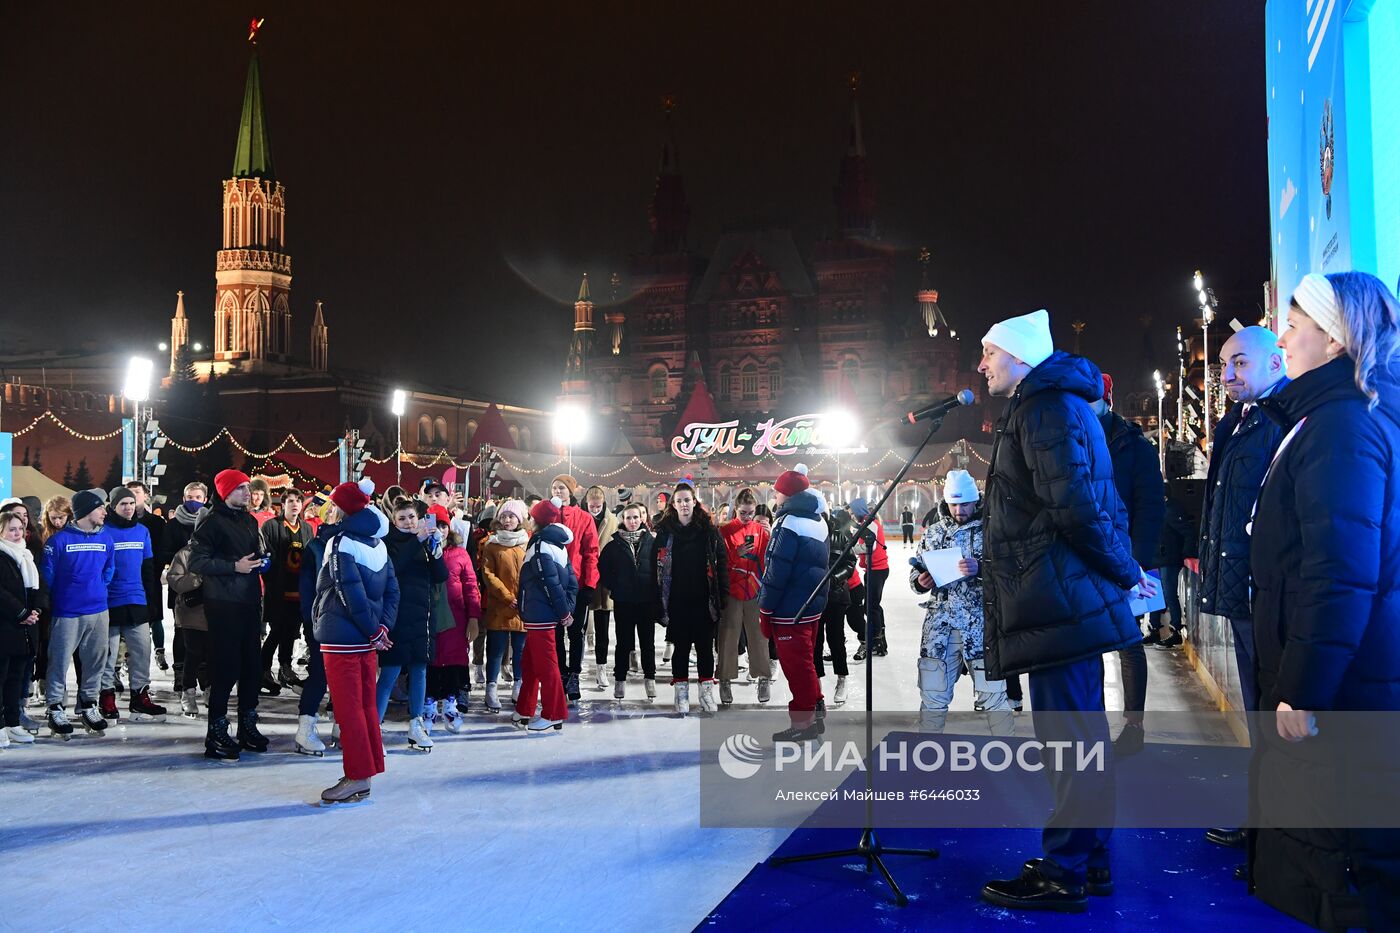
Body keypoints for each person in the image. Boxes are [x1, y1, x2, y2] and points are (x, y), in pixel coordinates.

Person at [976, 309, 1153, 912]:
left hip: (1057, 598)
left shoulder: (1044, 409)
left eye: (990, 353)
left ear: (1020, 357)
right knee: (1078, 736)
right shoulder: (1052, 406)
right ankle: (1091, 858)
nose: (982, 364)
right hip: (1058, 596)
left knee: (1069, 740)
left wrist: (1125, 571)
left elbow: (1075, 506)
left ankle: (1066, 867)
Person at [1247, 271, 1400, 926]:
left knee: (1340, 871)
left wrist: (1303, 689)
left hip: (1341, 694)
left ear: (1335, 338)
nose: (1282, 334)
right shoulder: (1334, 416)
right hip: (1353, 685)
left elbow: (1338, 572)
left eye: (1295, 321)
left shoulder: (1341, 425)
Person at [1188, 325, 1290, 857]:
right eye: (1224, 366)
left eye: (1240, 364)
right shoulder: (1241, 421)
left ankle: (1274, 829)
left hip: (1264, 599)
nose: (1227, 376)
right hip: (1242, 596)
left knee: (1273, 716)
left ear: (1276, 363)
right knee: (1257, 715)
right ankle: (1261, 820)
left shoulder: (1279, 422)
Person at [312, 479, 399, 803]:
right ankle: (367, 767)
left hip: (342, 637)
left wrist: (373, 630)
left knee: (349, 710)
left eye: (334, 504)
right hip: (366, 639)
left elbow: (350, 593)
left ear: (345, 508)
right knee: (364, 706)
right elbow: (392, 591)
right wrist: (382, 628)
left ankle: (356, 776)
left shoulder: (341, 543)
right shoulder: (378, 544)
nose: (330, 510)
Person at [1091, 373, 1165, 757]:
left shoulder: (1134, 445)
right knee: (1086, 647)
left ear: (1106, 398)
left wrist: (1137, 564)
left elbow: (1152, 508)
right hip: (1084, 561)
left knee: (1128, 642)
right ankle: (1093, 726)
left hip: (1128, 560)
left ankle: (1133, 725)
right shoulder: (1070, 437)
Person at [909, 469, 1012, 735]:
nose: (959, 510)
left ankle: (1007, 753)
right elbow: (917, 569)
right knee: (933, 696)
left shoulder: (992, 529)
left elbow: (1012, 572)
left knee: (994, 696)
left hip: (981, 628)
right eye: (954, 504)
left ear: (976, 500)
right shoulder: (933, 532)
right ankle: (928, 753)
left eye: (964, 503)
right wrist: (920, 581)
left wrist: (982, 568)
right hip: (940, 630)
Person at [187, 469, 271, 760]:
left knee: (251, 666)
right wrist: (234, 566)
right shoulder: (212, 521)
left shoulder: (248, 520)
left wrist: (261, 562)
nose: (248, 493)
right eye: (240, 488)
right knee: (225, 668)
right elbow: (196, 561)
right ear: (225, 492)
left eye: (248, 487)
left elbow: (252, 554)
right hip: (223, 604)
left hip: (249, 601)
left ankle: (247, 724)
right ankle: (217, 731)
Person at [759, 463, 828, 742]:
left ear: (786, 495)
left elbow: (776, 572)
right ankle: (817, 706)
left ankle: (803, 723)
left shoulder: (787, 523)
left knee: (797, 668)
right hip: (811, 606)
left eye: (777, 492)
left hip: (790, 610)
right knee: (806, 662)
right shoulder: (818, 519)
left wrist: (765, 609)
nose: (774, 497)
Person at [41, 489, 114, 739]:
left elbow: (109, 569)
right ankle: (55, 706)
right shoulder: (58, 541)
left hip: (98, 610)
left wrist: (97, 590)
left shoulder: (106, 538)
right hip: (67, 612)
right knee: (59, 661)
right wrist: (67, 595)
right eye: (100, 508)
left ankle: (88, 703)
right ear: (85, 512)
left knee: (95, 661)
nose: (105, 511)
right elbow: (47, 578)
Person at [377, 498, 447, 752]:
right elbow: (393, 568)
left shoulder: (427, 543)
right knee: (389, 674)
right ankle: (373, 729)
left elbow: (441, 576)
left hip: (423, 619)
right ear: (394, 521)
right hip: (396, 618)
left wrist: (436, 550)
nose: (408, 522)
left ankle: (416, 724)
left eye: (412, 517)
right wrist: (415, 542)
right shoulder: (387, 543)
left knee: (419, 672)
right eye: (402, 518)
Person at [654, 480, 728, 715]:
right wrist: (656, 599)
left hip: (704, 599)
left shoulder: (708, 531)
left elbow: (722, 563)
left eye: (687, 500)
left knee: (705, 648)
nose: (684, 504)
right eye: (679, 501)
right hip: (677, 599)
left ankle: (706, 692)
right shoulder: (665, 533)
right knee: (681, 648)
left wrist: (722, 594)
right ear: (673, 505)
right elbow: (654, 566)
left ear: (694, 502)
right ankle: (681, 692)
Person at [100, 486, 166, 722]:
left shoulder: (142, 531)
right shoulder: (104, 532)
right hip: (110, 601)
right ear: (113, 507)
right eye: (122, 504)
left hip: (136, 599)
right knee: (107, 654)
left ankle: (140, 696)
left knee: (141, 651)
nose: (128, 508)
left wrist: (151, 602)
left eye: (130, 503)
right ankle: (106, 696)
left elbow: (148, 570)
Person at [513, 497, 576, 732]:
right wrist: (566, 608)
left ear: (537, 520)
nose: (528, 520)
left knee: (546, 665)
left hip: (541, 616)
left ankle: (553, 713)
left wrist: (564, 612)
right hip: (538, 614)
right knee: (529, 663)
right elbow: (571, 581)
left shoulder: (540, 547)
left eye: (531, 517)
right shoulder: (555, 545)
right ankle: (524, 709)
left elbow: (551, 584)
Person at [597, 501, 660, 702]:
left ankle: (650, 679)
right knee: (623, 643)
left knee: (647, 643)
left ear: (642, 518)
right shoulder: (614, 545)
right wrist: (613, 586)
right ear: (622, 520)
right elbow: (603, 569)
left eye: (636, 517)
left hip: (646, 600)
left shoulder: (652, 541)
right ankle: (620, 680)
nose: (632, 521)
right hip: (624, 601)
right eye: (628, 517)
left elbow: (660, 567)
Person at [293, 502, 342, 754]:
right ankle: (305, 728)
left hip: (349, 622)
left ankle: (342, 725)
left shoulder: (355, 542)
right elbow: (308, 588)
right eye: (331, 509)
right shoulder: (316, 546)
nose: (336, 512)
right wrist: (311, 620)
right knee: (320, 673)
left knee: (345, 677)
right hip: (322, 620)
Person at [548, 475, 600, 704]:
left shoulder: (584, 518)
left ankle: (574, 675)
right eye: (554, 487)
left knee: (576, 632)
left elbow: (591, 552)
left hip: (576, 584)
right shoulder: (546, 516)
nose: (558, 491)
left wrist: (589, 584)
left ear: (570, 491)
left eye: (562, 488)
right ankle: (561, 673)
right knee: (556, 632)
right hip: (552, 583)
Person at [717, 488, 771, 707]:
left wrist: (771, 531)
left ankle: (763, 677)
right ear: (735, 510)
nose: (747, 517)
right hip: (731, 589)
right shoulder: (726, 531)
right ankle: (725, 678)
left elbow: (768, 559)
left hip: (754, 589)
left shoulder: (761, 530)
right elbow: (718, 564)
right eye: (743, 513)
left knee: (759, 636)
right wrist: (735, 554)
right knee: (728, 636)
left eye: (750, 513)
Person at [257, 487, 313, 695]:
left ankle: (285, 668)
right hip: (278, 589)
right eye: (291, 501)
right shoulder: (272, 526)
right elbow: (267, 556)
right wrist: (272, 581)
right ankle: (262, 669)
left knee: (291, 631)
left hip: (299, 589)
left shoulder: (306, 528)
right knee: (277, 630)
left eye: (298, 500)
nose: (295, 504)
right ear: (283, 505)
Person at [432, 512, 480, 732]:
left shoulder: (459, 554)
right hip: (430, 617)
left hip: (456, 617)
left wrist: (473, 617)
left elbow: (471, 586)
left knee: (454, 659)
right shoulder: (423, 551)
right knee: (431, 660)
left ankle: (451, 703)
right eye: (436, 525)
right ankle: (429, 703)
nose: (440, 530)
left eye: (443, 526)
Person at [0, 510, 45, 747]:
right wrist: (21, 613)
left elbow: (38, 587)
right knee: (2, 677)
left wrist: (36, 609)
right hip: (6, 627)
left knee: (16, 679)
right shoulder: (1, 555)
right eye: (11, 529)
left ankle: (12, 723)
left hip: (26, 630)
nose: (17, 533)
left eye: (19, 528)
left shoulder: (26, 555)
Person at [479, 499, 528, 713]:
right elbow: (488, 575)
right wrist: (507, 597)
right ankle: (491, 688)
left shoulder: (527, 542)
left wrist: (525, 597)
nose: (507, 520)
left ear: (519, 519)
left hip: (523, 606)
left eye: (512, 516)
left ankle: (519, 685)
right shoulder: (491, 544)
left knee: (520, 650)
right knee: (496, 649)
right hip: (500, 605)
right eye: (504, 516)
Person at [160, 482, 208, 694]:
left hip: (207, 589)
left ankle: (204, 675)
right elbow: (165, 552)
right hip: (182, 586)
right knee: (182, 632)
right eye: (190, 497)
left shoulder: (209, 522)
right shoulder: (172, 525)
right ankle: (181, 673)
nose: (193, 501)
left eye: (198, 497)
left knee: (204, 634)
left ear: (205, 499)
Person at [815, 505, 858, 706]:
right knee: (815, 640)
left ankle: (842, 678)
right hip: (813, 596)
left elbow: (850, 563)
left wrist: (835, 579)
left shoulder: (840, 535)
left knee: (836, 638)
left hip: (836, 594)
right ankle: (816, 681)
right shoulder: (807, 536)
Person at [126, 482, 170, 673]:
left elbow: (161, 550)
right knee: (131, 620)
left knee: (155, 615)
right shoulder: (121, 521)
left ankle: (159, 650)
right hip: (128, 580)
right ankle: (128, 657)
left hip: (150, 577)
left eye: (137, 492)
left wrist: (155, 571)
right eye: (129, 493)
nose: (133, 496)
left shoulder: (157, 523)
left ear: (146, 495)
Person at [164, 533, 208, 720]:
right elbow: (174, 580)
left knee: (213, 653)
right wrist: (197, 578)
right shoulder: (184, 554)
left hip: (214, 610)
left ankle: (209, 688)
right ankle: (188, 692)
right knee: (194, 653)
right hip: (191, 612)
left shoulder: (218, 552)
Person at [1144, 485, 1194, 647]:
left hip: (1169, 559)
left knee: (1169, 594)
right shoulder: (1155, 510)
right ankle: (1154, 628)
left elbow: (1188, 532)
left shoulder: (1172, 510)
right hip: (1155, 558)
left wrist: (1187, 554)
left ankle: (1176, 630)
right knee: (1154, 594)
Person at [583, 484, 618, 690]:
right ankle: (576, 664)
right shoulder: (580, 517)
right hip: (584, 577)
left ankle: (601, 667)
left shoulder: (612, 520)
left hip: (604, 579)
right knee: (579, 624)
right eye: (591, 506)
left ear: (603, 503)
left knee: (603, 625)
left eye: (598, 506)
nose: (594, 509)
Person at [848, 497, 889, 660]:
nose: (851, 516)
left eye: (852, 513)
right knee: (873, 606)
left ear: (858, 512)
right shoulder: (867, 522)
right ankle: (880, 641)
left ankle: (876, 641)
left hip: (877, 569)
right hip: (875, 569)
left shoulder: (870, 523)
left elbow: (868, 546)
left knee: (870, 607)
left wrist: (851, 548)